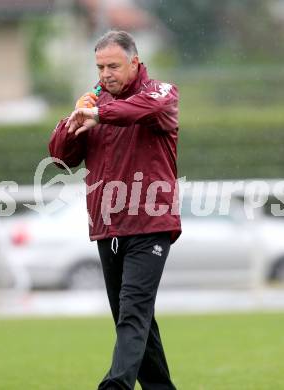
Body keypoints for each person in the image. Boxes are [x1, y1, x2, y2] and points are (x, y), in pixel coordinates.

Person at [49, 30, 181, 390]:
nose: (105, 73)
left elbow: (143, 108)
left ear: (134, 63)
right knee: (135, 320)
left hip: (150, 224)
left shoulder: (161, 93)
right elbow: (61, 159)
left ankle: (115, 385)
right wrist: (71, 121)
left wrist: (98, 113)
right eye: (99, 67)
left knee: (132, 314)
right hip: (108, 228)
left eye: (113, 65)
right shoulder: (94, 106)